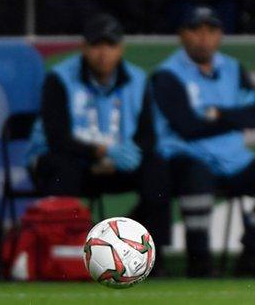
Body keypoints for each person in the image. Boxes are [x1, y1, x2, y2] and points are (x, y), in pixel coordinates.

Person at [151, 6, 255, 277]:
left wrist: (217, 114)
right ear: (182, 35)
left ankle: (254, 255)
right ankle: (199, 260)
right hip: (187, 158)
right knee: (196, 175)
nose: (204, 37)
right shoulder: (167, 75)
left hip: (234, 160)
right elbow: (187, 127)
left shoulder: (232, 68)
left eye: (211, 30)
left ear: (220, 35)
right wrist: (233, 118)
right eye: (196, 30)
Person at [27, 14, 171, 270]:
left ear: (120, 48)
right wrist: (102, 153)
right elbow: (57, 138)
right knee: (62, 167)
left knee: (157, 169)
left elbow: (148, 136)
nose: (103, 53)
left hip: (118, 165)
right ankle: (64, 259)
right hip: (71, 162)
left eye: (110, 45)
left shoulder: (138, 79)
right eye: (96, 45)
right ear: (84, 47)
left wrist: (128, 154)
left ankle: (149, 258)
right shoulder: (59, 78)